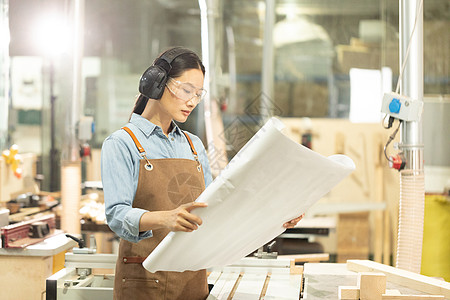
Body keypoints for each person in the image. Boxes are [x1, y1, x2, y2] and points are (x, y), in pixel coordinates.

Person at [101, 46, 304, 300]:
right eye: (186, 91)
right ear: (156, 84)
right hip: (144, 283)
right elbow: (117, 215)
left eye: (198, 94)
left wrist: (277, 216)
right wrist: (165, 218)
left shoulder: (193, 145)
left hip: (193, 282)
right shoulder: (121, 143)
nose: (192, 102)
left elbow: (214, 211)